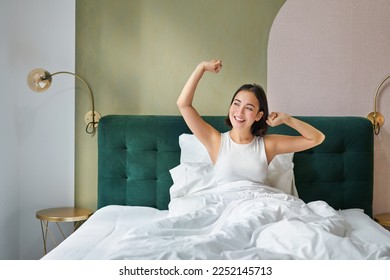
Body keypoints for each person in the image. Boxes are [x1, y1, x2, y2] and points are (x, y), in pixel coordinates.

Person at [177, 59, 325, 185]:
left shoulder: (267, 145)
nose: (239, 112)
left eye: (248, 108)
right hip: (226, 205)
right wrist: (201, 68)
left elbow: (317, 138)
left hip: (257, 205)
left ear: (258, 115)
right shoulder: (215, 141)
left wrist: (287, 119)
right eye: (236, 103)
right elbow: (183, 105)